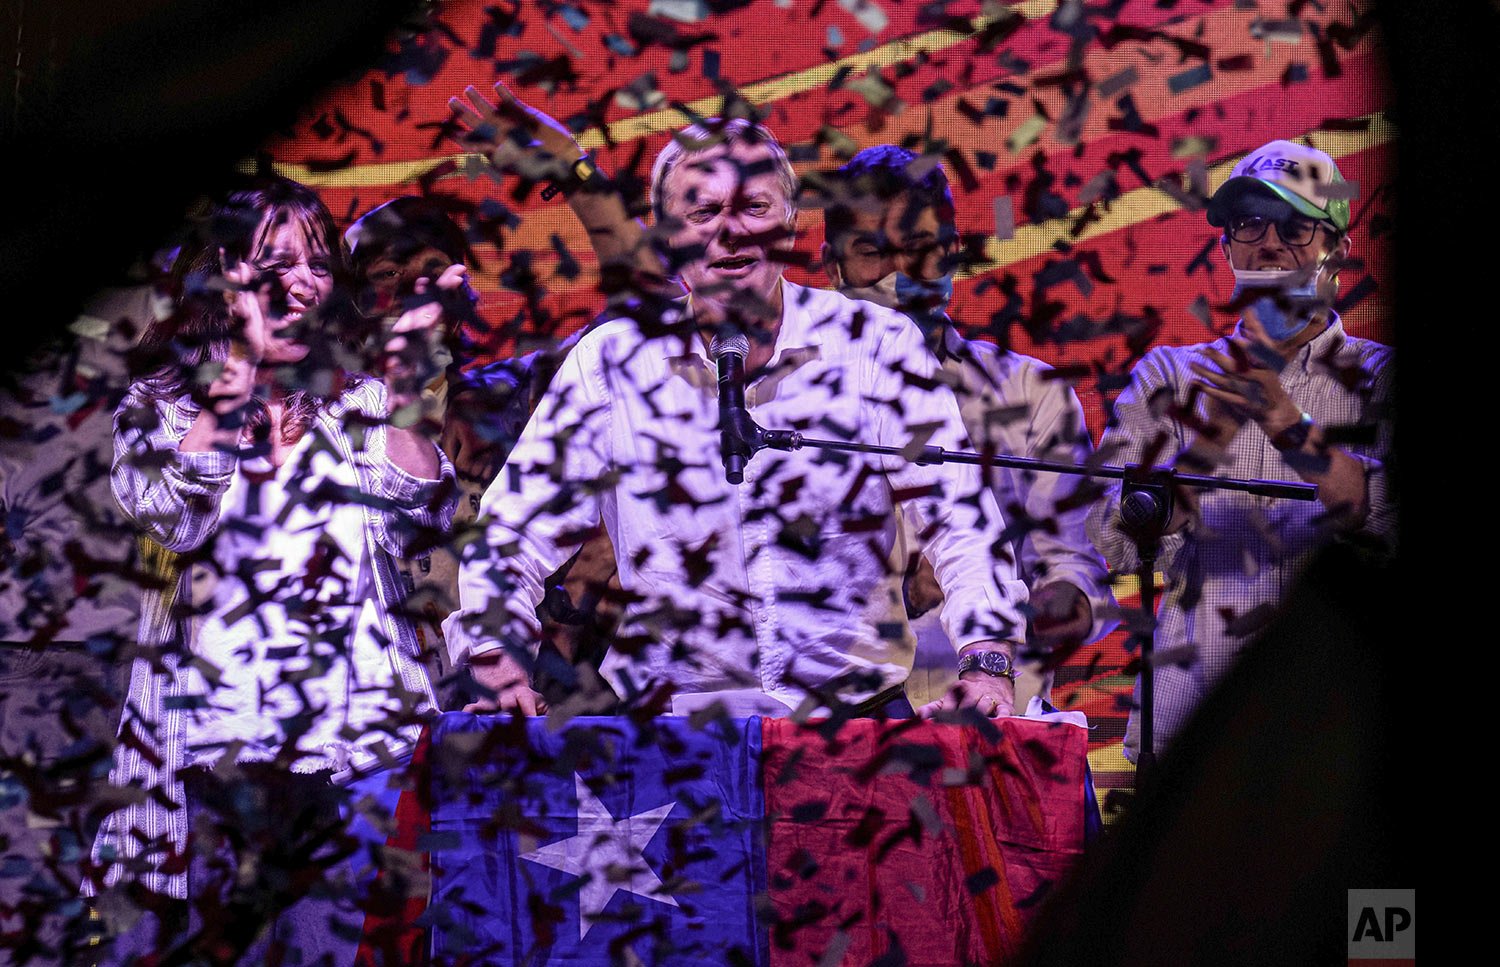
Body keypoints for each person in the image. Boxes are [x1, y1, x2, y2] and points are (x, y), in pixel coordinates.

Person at [442, 116, 1029, 720]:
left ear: (790, 223)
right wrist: (497, 657)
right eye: (703, 213)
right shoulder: (611, 361)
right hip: (670, 732)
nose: (730, 230)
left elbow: (959, 516)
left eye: (753, 206)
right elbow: (511, 534)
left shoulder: (874, 343)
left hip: (854, 721)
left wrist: (986, 657)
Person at [90, 176, 456, 960]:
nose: (302, 280)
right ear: (228, 269)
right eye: (278, 260)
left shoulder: (358, 404)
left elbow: (421, 512)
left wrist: (397, 390)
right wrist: (241, 368)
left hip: (355, 746)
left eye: (319, 264)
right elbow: (170, 512)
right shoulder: (164, 405)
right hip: (216, 753)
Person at [1086, 139, 1395, 761]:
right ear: (1226, 246)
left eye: (1297, 226)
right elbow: (1109, 536)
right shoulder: (1169, 377)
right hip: (1189, 727)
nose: (1272, 242)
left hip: (1339, 732)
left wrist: (1289, 425)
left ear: (1337, 248)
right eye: (1251, 222)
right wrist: (1209, 441)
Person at [817, 145, 1116, 711]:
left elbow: (1077, 575)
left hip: (992, 723)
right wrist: (901, 594)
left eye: (919, 251)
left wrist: (999, 596)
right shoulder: (779, 404)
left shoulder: (1030, 394)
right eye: (871, 254)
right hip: (834, 731)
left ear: (952, 254)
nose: (899, 276)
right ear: (832, 267)